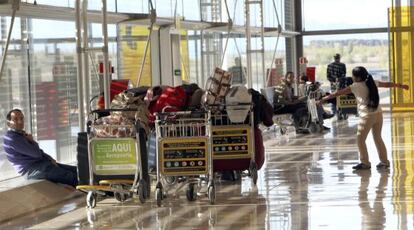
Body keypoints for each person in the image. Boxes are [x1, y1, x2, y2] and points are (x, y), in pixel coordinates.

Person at [318, 66, 409, 170]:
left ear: (357, 77)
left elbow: (337, 93)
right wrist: (400, 86)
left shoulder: (355, 86)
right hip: (378, 114)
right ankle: (384, 162)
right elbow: (387, 84)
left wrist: (323, 99)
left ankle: (365, 163)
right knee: (378, 138)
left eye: (353, 75)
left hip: (367, 116)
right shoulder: (372, 82)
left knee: (360, 140)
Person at [2, 109, 78, 187]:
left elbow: (38, 151)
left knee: (77, 170)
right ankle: (89, 195)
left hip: (42, 164)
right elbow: (36, 154)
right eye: (16, 119)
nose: (20, 121)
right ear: (9, 124)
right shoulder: (13, 139)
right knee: (72, 177)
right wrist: (32, 141)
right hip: (32, 170)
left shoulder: (20, 134)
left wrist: (50, 158)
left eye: (21, 118)